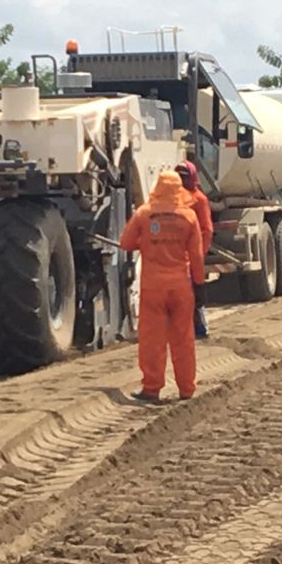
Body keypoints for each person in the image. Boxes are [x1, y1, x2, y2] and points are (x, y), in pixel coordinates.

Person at [120, 169, 205, 401]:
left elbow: (126, 243)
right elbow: (196, 256)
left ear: (157, 187)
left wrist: (147, 243)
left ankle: (152, 388)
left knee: (152, 340)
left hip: (153, 288)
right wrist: (199, 285)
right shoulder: (189, 217)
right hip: (180, 287)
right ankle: (186, 389)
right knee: (183, 339)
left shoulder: (143, 214)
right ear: (179, 189)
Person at [175, 160, 213, 339]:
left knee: (196, 297)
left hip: (192, 257)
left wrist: (198, 255)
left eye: (184, 176)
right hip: (175, 259)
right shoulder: (173, 200)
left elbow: (206, 230)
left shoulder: (199, 199)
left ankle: (200, 329)